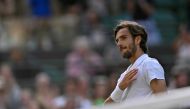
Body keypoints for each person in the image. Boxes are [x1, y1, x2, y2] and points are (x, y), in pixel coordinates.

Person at [104, 21, 167, 104]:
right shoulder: (123, 76)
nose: (119, 43)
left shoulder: (149, 64)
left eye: (123, 38)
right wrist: (120, 88)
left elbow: (164, 101)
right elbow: (107, 105)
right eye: (117, 40)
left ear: (137, 39)